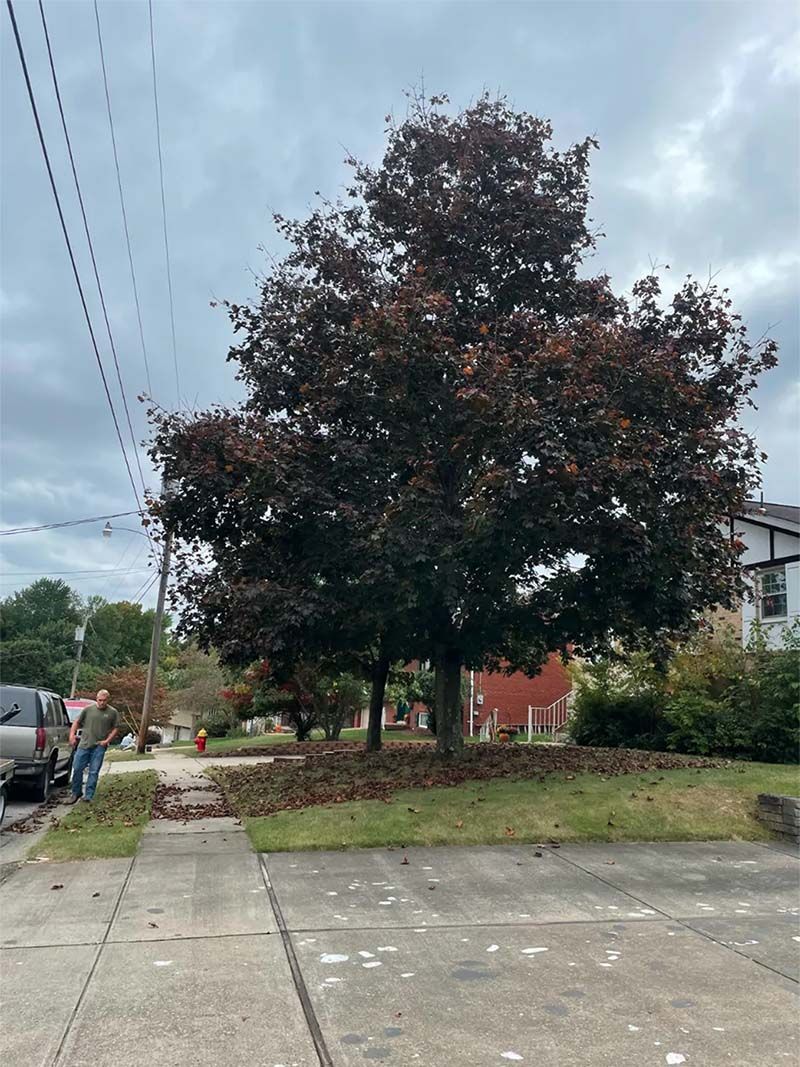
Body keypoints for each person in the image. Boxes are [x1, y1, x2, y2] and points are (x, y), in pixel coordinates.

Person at [67, 689, 119, 804]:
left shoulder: (112, 712)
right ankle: (76, 792)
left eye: (104, 700)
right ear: (96, 699)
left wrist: (107, 740)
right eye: (100, 700)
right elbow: (76, 722)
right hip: (84, 744)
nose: (102, 703)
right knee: (77, 768)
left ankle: (88, 796)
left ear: (107, 700)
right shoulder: (88, 709)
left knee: (93, 771)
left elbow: (116, 728)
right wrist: (72, 735)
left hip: (99, 746)